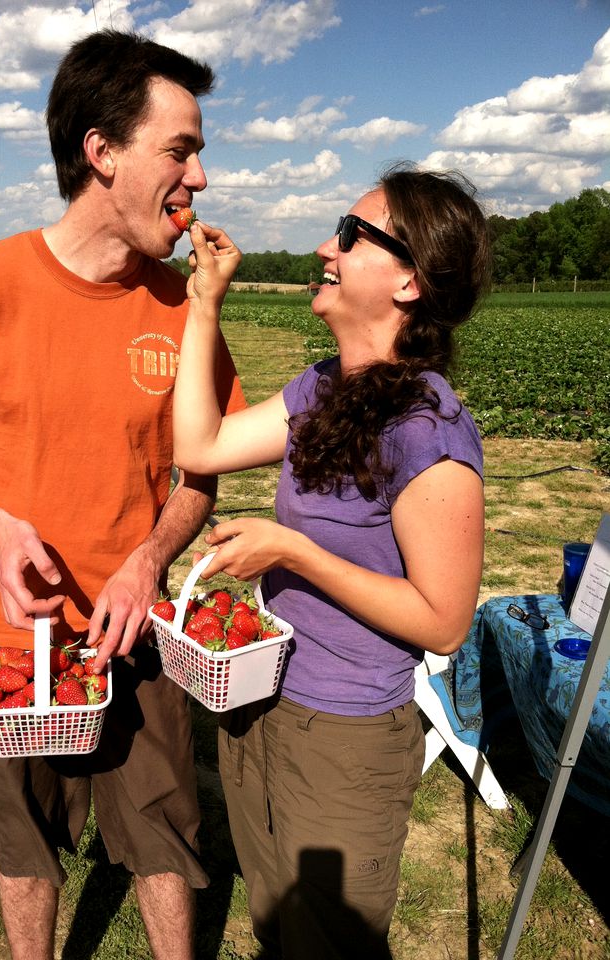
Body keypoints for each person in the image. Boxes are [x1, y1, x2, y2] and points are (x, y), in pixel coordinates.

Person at [0, 29, 245, 960]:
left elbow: (199, 472)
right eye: (180, 148)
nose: (200, 177)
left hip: (138, 634)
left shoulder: (182, 306)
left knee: (164, 833)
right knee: (25, 847)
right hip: (7, 637)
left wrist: (147, 560)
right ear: (101, 151)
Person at [173, 164, 491, 959]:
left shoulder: (427, 433)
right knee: (279, 925)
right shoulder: (319, 389)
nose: (327, 245)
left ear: (409, 280)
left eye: (350, 235)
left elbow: (444, 623)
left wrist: (293, 551)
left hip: (345, 733)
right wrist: (202, 305)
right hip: (257, 700)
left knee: (329, 946)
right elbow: (199, 446)